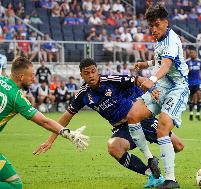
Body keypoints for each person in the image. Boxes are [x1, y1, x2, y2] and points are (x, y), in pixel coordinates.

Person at [33, 58, 185, 188]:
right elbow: (66, 117)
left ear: (97, 71)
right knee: (113, 147)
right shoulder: (83, 95)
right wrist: (50, 141)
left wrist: (152, 89)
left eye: (93, 71)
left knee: (178, 146)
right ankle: (152, 173)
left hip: (142, 120)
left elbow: (137, 80)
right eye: (87, 73)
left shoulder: (111, 80)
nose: (91, 75)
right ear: (81, 74)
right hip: (122, 128)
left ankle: (158, 162)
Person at [0, 56, 88, 189]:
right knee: (15, 186)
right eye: (32, 75)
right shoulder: (17, 97)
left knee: (14, 183)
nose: (34, 79)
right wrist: (68, 134)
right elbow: (43, 121)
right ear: (21, 77)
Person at [127, 4, 189, 188]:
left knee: (162, 126)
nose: (153, 30)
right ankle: (150, 160)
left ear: (166, 22)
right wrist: (145, 64)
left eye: (157, 25)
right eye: (150, 26)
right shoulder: (160, 39)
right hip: (162, 85)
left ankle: (171, 180)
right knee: (132, 116)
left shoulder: (171, 40)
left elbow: (167, 65)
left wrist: (151, 79)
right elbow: (160, 60)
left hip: (177, 88)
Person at [186, 49, 201, 121]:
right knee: (191, 98)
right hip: (190, 83)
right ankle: (191, 114)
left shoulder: (200, 62)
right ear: (190, 55)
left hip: (197, 82)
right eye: (192, 53)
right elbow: (184, 72)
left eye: (195, 53)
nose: (194, 55)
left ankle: (198, 114)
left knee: (199, 95)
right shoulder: (187, 62)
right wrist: (188, 71)